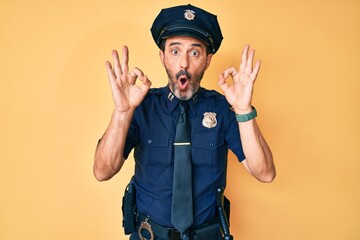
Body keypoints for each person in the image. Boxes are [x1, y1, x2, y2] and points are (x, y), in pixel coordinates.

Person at [93, 4, 275, 240]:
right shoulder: (140, 107)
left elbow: (265, 173)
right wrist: (122, 113)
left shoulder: (223, 109)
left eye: (195, 53)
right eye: (175, 51)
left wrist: (244, 111)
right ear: (162, 57)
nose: (184, 64)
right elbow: (102, 171)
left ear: (208, 60)